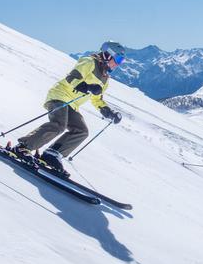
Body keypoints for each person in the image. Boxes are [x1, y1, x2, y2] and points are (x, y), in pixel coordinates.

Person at [13, 41, 125, 175]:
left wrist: (109, 113)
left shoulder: (105, 78)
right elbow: (72, 78)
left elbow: (97, 99)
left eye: (121, 61)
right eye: (118, 59)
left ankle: (52, 154)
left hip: (72, 105)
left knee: (81, 131)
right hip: (59, 96)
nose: (118, 64)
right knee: (59, 124)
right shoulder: (89, 61)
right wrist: (88, 87)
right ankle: (23, 147)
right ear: (108, 54)